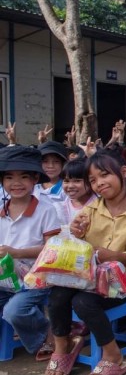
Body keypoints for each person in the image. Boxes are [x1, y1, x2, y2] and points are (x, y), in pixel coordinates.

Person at [45, 151, 126, 375]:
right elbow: (77, 245)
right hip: (88, 278)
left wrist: (114, 256)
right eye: (92, 180)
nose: (99, 183)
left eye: (104, 175)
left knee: (83, 302)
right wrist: (75, 233)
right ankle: (63, 345)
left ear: (124, 173)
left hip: (120, 284)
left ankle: (113, 354)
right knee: (58, 295)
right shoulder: (91, 210)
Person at [0, 147, 61, 361]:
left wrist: (17, 252)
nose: (16, 183)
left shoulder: (46, 209)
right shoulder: (2, 209)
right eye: (9, 177)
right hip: (5, 277)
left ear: (35, 178)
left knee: (13, 311)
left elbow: (52, 248)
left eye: (23, 177)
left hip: (37, 278)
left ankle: (47, 335)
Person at [56, 159, 97, 226]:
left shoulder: (99, 205)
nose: (70, 186)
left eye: (77, 181)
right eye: (66, 181)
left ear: (90, 181)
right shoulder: (60, 207)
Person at [35, 140, 69, 205]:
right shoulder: (32, 186)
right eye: (45, 161)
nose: (51, 166)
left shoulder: (67, 188)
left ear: (63, 164)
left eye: (56, 161)